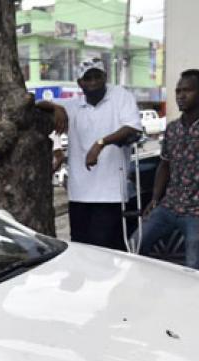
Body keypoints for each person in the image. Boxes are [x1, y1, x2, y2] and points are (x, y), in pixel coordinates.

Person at [36, 59, 142, 250]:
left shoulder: (120, 96)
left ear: (105, 78)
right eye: (88, 78)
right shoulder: (72, 105)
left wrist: (101, 143)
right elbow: (36, 102)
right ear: (80, 83)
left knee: (108, 251)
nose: (93, 82)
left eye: (97, 77)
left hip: (111, 195)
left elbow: (132, 128)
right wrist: (56, 107)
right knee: (82, 249)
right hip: (79, 195)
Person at [135, 69, 199, 271]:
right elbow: (164, 165)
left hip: (198, 211)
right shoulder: (172, 128)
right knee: (135, 244)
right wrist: (155, 199)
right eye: (178, 91)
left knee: (195, 267)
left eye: (187, 90)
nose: (181, 96)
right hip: (169, 206)